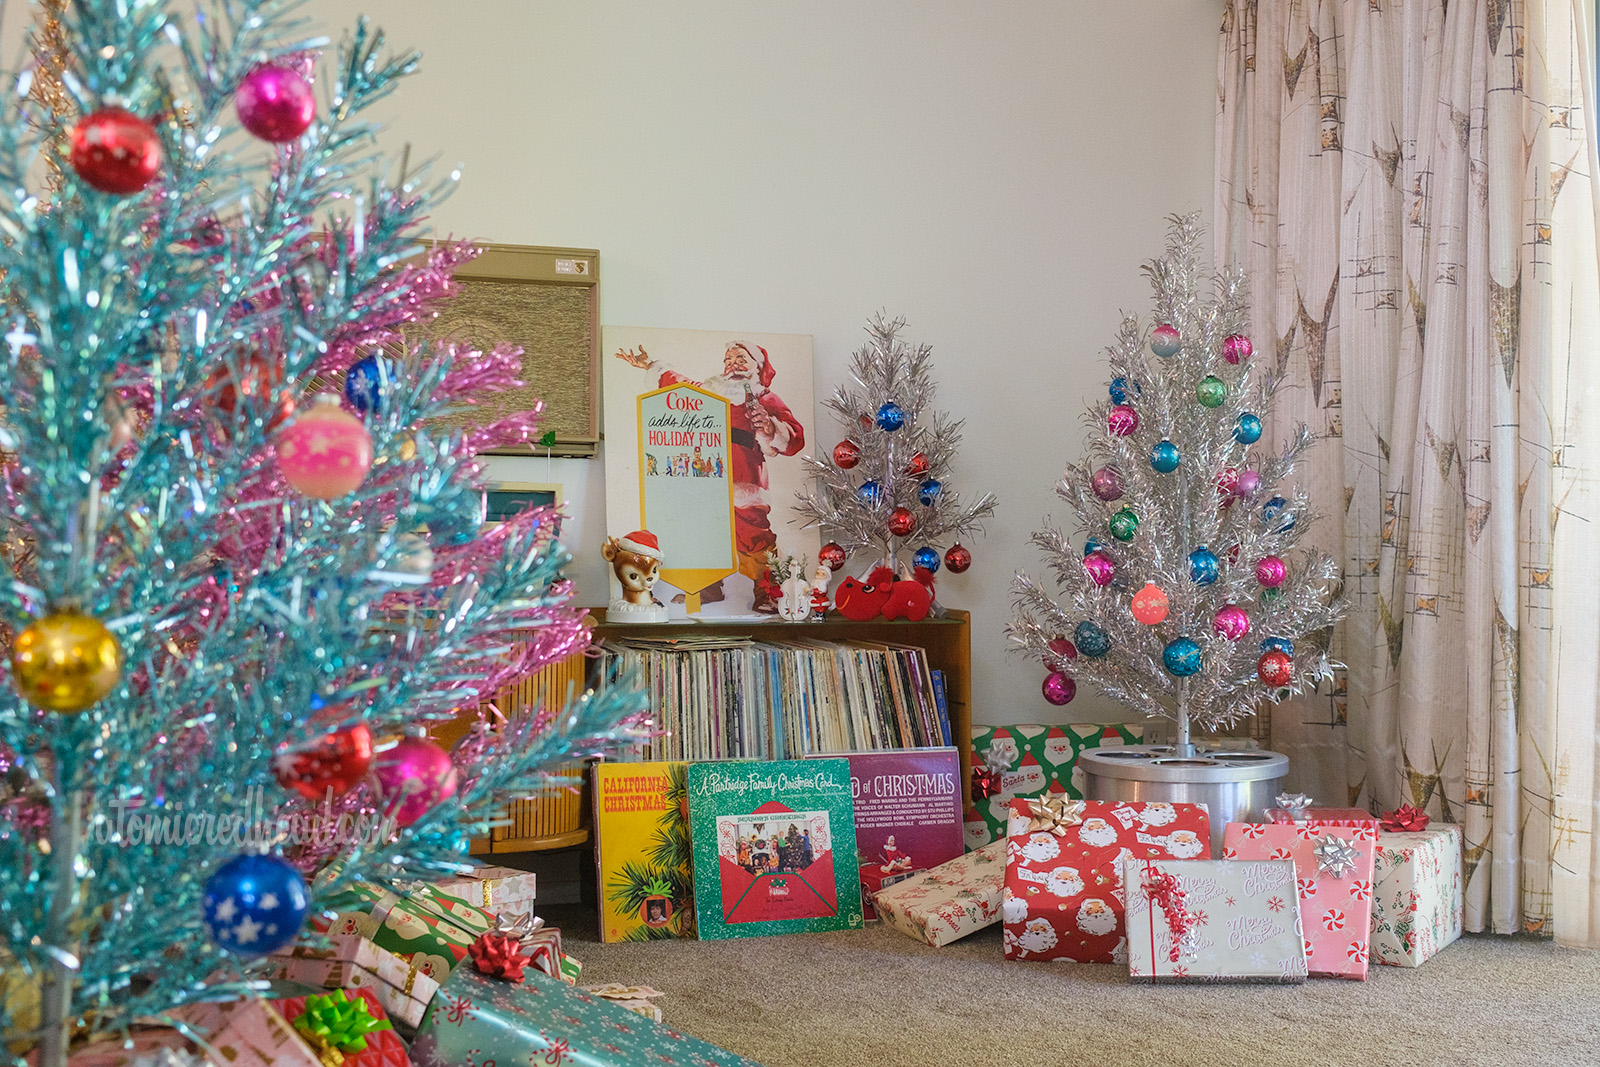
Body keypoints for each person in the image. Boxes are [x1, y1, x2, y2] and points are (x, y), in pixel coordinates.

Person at [615, 341, 805, 612]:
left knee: (752, 533)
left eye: (741, 359)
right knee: (704, 531)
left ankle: (767, 590)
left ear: (758, 366)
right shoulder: (710, 391)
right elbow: (678, 384)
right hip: (706, 473)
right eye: (728, 360)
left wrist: (770, 427)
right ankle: (707, 587)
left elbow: (795, 438)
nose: (732, 365)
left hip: (744, 476)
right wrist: (650, 365)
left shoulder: (765, 398)